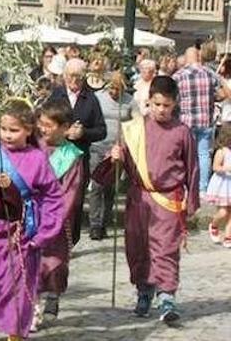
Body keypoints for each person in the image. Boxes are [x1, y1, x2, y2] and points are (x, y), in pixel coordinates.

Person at [92, 76, 198, 325]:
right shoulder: (133, 128)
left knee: (165, 249)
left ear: (175, 104)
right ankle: (144, 291)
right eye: (157, 104)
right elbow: (114, 169)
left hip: (168, 198)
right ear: (149, 101)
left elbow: (192, 168)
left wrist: (191, 202)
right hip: (139, 197)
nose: (161, 110)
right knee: (138, 248)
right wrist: (115, 157)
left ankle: (167, 296)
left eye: (166, 105)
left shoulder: (182, 133)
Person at [0, 99, 64, 341]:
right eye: (4, 129)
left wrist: (44, 231)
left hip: (23, 234)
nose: (7, 135)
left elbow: (52, 196)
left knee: (18, 287)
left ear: (28, 130)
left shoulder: (37, 159)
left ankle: (15, 333)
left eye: (14, 130)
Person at [33, 99, 86, 330]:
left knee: (54, 263)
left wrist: (54, 217)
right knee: (31, 264)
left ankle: (53, 295)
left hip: (56, 220)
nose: (43, 129)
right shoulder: (32, 147)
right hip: (31, 216)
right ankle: (32, 310)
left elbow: (70, 192)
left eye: (49, 125)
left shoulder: (71, 156)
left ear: (64, 128)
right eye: (41, 123)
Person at [49, 58, 106, 244]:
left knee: (74, 202)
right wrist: (62, 132)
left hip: (78, 159)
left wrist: (83, 133)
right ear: (64, 76)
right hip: (55, 155)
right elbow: (43, 123)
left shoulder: (91, 99)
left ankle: (69, 242)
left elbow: (101, 130)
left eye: (79, 77)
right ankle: (52, 237)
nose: (74, 81)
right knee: (53, 196)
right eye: (71, 76)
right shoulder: (55, 95)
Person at [88, 72, 136, 241]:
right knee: (96, 186)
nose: (113, 92)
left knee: (109, 188)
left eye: (117, 89)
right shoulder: (98, 98)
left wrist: (124, 144)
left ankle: (104, 223)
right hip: (98, 147)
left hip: (117, 149)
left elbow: (135, 123)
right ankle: (94, 224)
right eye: (111, 88)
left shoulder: (130, 101)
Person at [173, 46, 226, 194]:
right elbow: (221, 94)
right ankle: (201, 188)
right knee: (203, 154)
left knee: (185, 154)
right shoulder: (209, 74)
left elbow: (173, 99)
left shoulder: (178, 75)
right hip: (205, 120)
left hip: (186, 121)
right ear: (199, 57)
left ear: (186, 57)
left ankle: (184, 185)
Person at [205, 123, 231, 248]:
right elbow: (215, 167)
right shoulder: (221, 151)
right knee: (223, 212)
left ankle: (228, 236)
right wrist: (226, 168)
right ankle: (214, 225)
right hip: (223, 185)